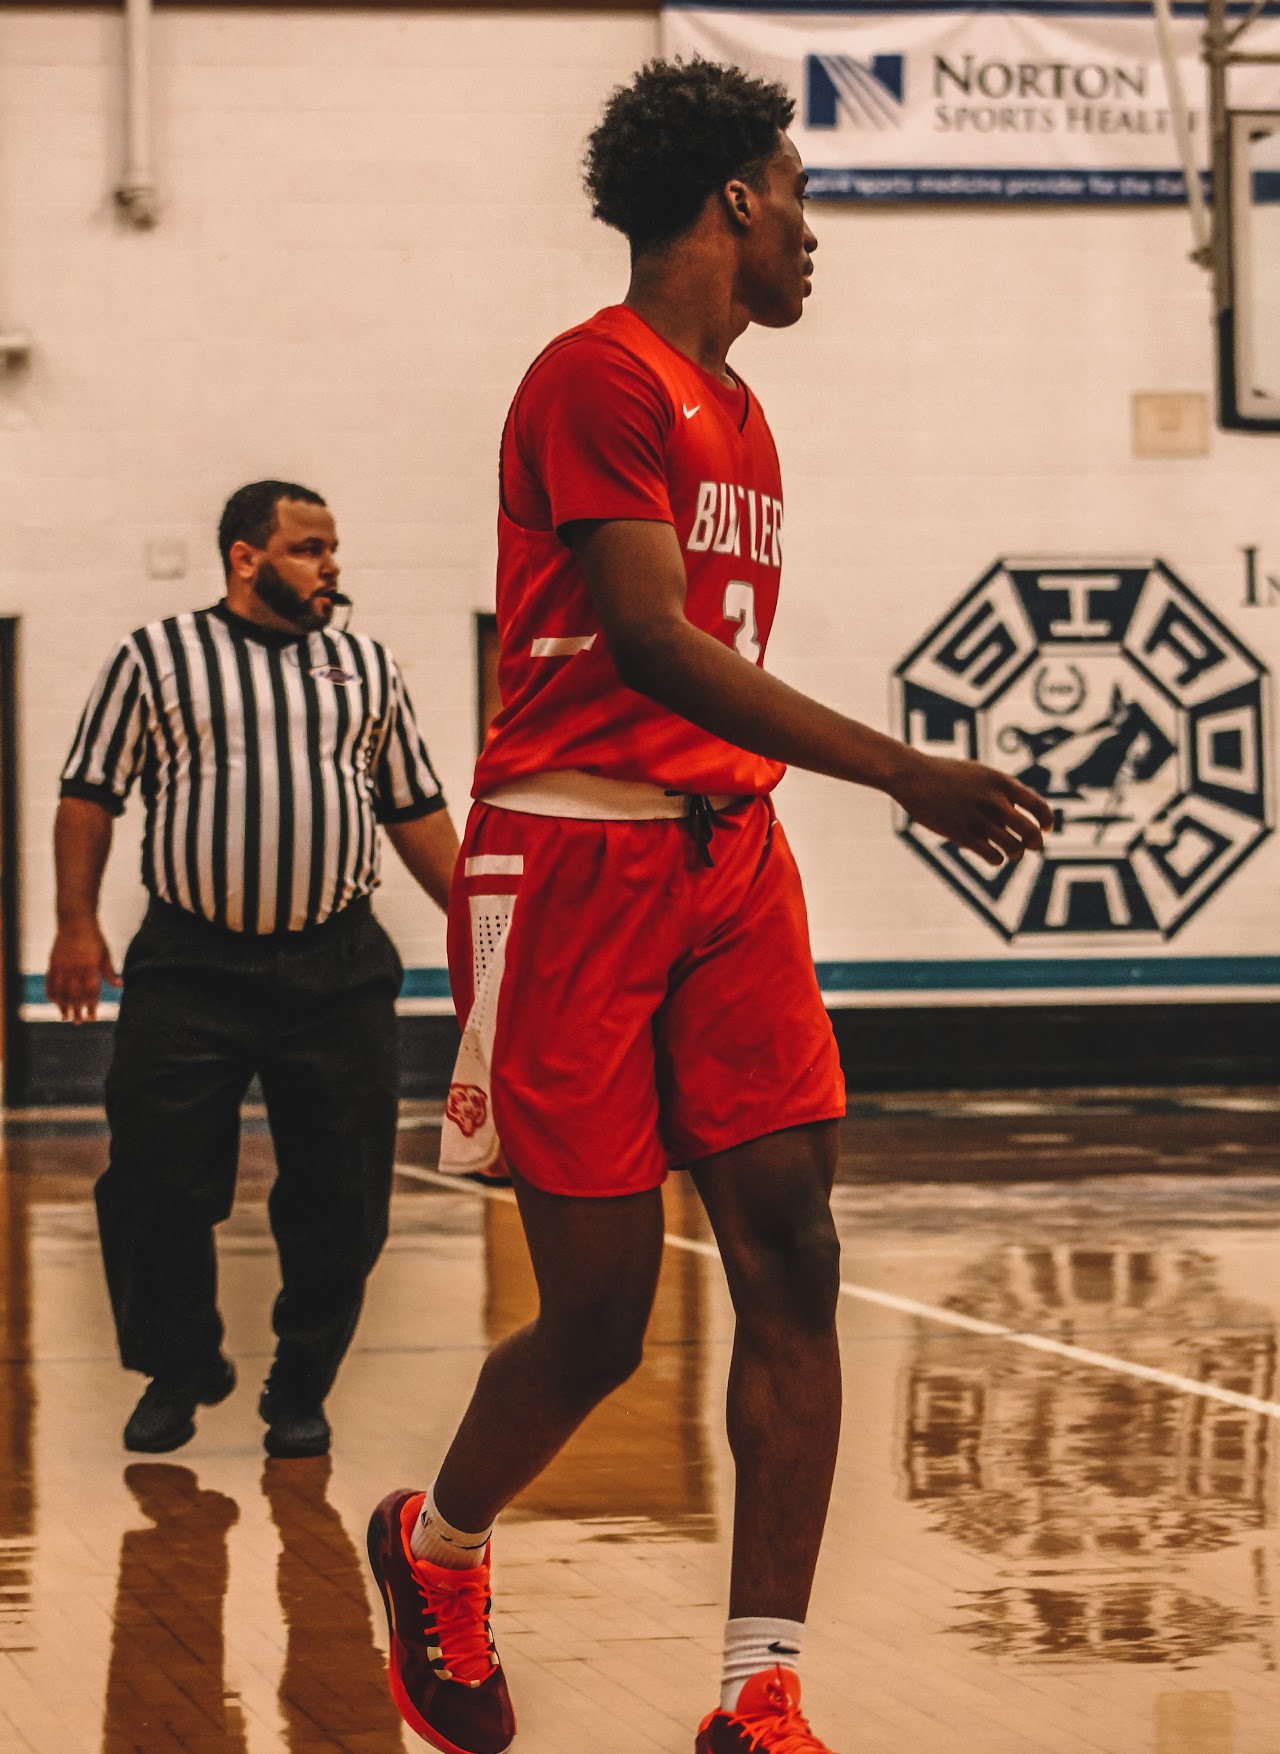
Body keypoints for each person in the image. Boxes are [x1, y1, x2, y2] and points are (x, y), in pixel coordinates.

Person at [365, 61, 1052, 1754]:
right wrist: (905, 767)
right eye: (800, 196)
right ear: (736, 202)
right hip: (573, 860)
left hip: (727, 860)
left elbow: (702, 686)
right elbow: (657, 642)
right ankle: (435, 1539)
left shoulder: (743, 411)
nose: (814, 235)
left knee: (794, 1255)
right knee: (599, 1317)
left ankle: (761, 1685)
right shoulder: (595, 378)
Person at [49, 480, 460, 1459]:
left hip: (338, 961)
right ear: (245, 556)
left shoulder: (366, 666)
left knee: (344, 1187)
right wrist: (73, 923)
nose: (331, 566)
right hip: (190, 960)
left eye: (332, 549)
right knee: (152, 1176)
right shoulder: (154, 658)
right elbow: (87, 795)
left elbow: (414, 812)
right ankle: (178, 1363)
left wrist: (490, 935)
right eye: (310, 548)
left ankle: (299, 1382)